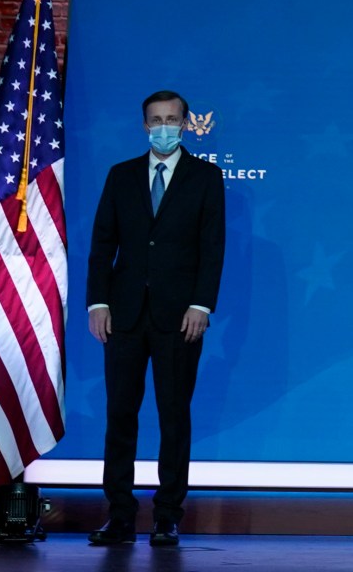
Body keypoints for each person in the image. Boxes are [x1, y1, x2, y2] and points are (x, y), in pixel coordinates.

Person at [86, 90, 227, 549]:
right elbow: (103, 244)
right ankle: (120, 514)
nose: (163, 126)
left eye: (172, 119)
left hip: (179, 317)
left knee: (173, 417)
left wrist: (201, 305)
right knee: (120, 416)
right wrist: (97, 303)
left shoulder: (206, 177)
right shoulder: (121, 176)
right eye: (155, 119)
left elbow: (212, 247)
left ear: (185, 124)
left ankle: (167, 515)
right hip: (123, 315)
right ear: (144, 125)